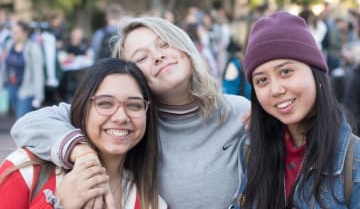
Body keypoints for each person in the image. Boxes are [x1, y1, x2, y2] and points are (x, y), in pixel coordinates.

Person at [11, 16, 251, 209]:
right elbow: (30, 124)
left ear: (185, 47)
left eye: (164, 44)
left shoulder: (238, 111)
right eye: (142, 57)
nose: (158, 56)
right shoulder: (133, 123)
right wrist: (82, 153)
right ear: (133, 78)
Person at [0, 58, 167, 208]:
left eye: (134, 105)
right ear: (82, 108)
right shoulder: (26, 169)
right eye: (105, 103)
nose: (121, 117)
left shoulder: (151, 203)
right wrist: (58, 203)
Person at [235, 11, 360, 208]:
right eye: (262, 80)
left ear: (315, 71)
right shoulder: (252, 150)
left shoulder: (354, 162)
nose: (276, 89)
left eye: (286, 72)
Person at [0, 20, 44, 118]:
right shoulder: (9, 45)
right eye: (12, 31)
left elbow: (38, 73)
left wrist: (39, 96)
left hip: (27, 89)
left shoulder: (33, 48)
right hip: (11, 86)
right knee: (18, 116)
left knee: (21, 119)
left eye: (16, 32)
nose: (13, 34)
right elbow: (4, 66)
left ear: (24, 33)